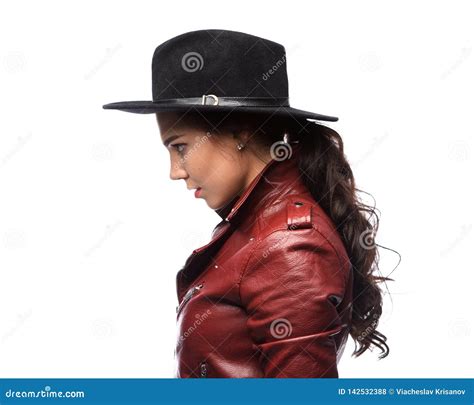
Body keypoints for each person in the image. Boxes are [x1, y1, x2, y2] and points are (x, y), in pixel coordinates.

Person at [103, 29, 391, 378]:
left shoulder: (289, 247)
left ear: (240, 132)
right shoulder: (258, 225)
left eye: (180, 147)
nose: (175, 171)